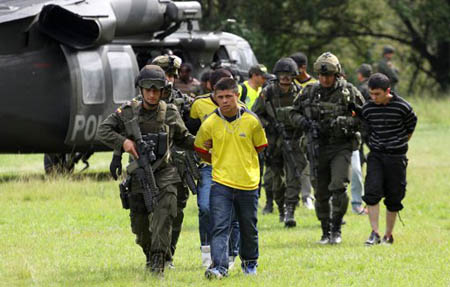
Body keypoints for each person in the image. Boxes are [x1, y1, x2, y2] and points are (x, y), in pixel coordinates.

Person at [96, 65, 195, 274]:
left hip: (166, 173)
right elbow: (103, 130)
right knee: (140, 229)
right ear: (140, 89)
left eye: (156, 90)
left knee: (164, 214)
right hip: (138, 175)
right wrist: (124, 143)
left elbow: (184, 139)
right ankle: (151, 254)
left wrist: (207, 145)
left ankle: (159, 260)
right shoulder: (128, 111)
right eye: (147, 89)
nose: (151, 94)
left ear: (162, 91)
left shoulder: (169, 112)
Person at [194, 77, 268, 278]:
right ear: (215, 98)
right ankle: (219, 267)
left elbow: (260, 146)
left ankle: (250, 263)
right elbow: (200, 148)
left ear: (237, 95)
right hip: (221, 183)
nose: (225, 100)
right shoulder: (209, 123)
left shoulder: (252, 121)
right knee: (219, 226)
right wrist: (218, 159)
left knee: (248, 226)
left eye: (229, 96)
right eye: (220, 97)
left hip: (248, 182)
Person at [290, 52, 365, 244]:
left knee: (339, 186)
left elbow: (364, 117)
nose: (324, 79)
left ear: (337, 74)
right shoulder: (309, 91)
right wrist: (305, 123)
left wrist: (344, 122)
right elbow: (292, 114)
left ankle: (336, 228)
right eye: (321, 75)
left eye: (328, 75)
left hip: (341, 146)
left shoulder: (348, 91)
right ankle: (325, 230)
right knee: (321, 191)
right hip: (317, 147)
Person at [186, 68, 240, 268]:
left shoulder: (239, 107)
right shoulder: (199, 104)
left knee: (233, 211)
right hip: (208, 165)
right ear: (211, 87)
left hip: (233, 166)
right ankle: (206, 250)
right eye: (221, 93)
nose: (226, 98)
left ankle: (232, 254)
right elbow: (188, 131)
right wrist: (201, 143)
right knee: (206, 208)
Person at [361, 73, 417, 245]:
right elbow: (366, 128)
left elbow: (411, 126)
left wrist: (398, 143)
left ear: (388, 91)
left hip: (396, 157)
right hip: (376, 155)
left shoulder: (403, 107)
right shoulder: (368, 109)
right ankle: (374, 233)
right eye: (371, 93)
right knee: (372, 192)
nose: (373, 97)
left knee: (394, 196)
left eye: (377, 94)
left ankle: (388, 235)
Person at [253, 57, 307, 227]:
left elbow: (306, 115)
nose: (285, 78)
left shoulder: (300, 93)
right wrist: (269, 125)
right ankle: (281, 208)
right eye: (282, 74)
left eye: (289, 74)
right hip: (274, 141)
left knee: (294, 177)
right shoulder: (268, 93)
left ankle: (290, 210)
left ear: (294, 75)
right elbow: (255, 115)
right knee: (276, 181)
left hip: (294, 140)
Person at [289, 52, 317, 210]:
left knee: (309, 164)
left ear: (303, 68)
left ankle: (308, 196)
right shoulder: (289, 83)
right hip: (292, 130)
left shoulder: (314, 83)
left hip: (308, 131)